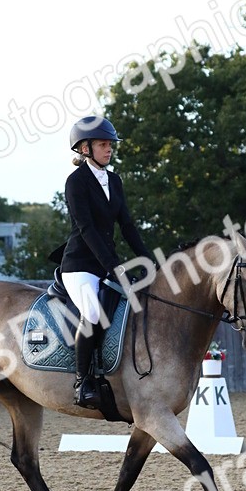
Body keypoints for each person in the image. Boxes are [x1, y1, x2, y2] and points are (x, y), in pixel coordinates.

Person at [59, 116, 152, 409]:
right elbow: (86, 229)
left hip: (106, 264)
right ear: (85, 149)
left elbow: (127, 225)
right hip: (79, 266)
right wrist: (115, 267)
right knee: (94, 314)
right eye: (102, 145)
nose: (109, 149)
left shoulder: (114, 180)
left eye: (110, 145)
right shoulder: (76, 183)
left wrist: (149, 258)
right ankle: (81, 382)